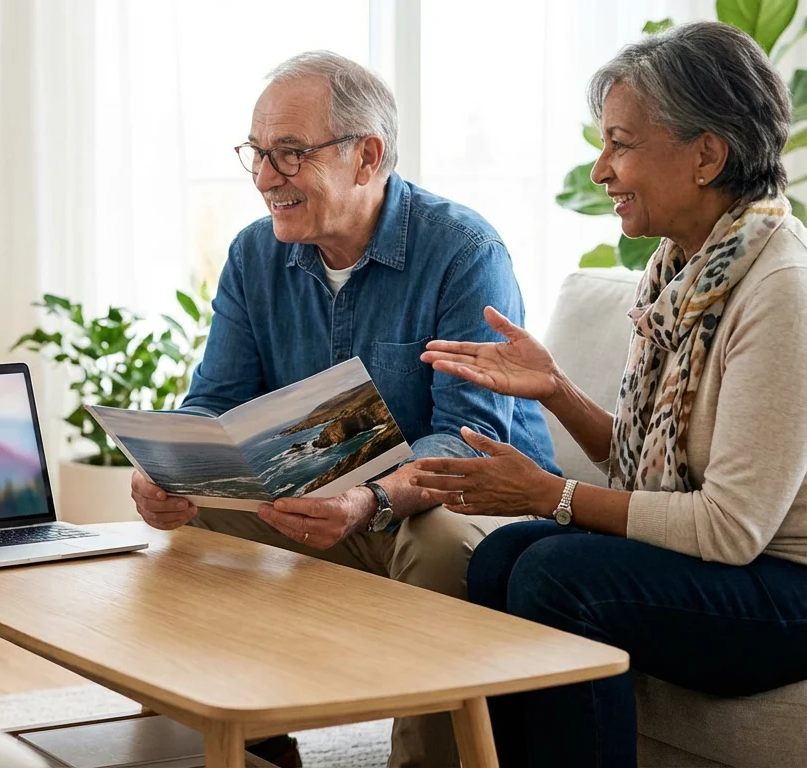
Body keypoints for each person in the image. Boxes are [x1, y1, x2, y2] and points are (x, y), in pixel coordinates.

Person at [129, 50, 558, 768]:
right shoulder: (252, 255)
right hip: (324, 495)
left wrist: (369, 499)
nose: (266, 179)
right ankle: (246, 749)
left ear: (367, 157)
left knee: (442, 542)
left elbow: (468, 438)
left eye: (290, 154)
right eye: (258, 154)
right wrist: (171, 468)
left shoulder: (464, 250)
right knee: (197, 521)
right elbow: (218, 399)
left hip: (455, 496)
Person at [414, 21, 807, 768]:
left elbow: (730, 527)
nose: (601, 170)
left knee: (556, 576)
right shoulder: (682, 272)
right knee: (501, 560)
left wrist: (550, 493)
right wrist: (556, 390)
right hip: (732, 570)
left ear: (707, 155)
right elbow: (651, 458)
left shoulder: (780, 288)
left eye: (620, 144)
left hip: (785, 591)